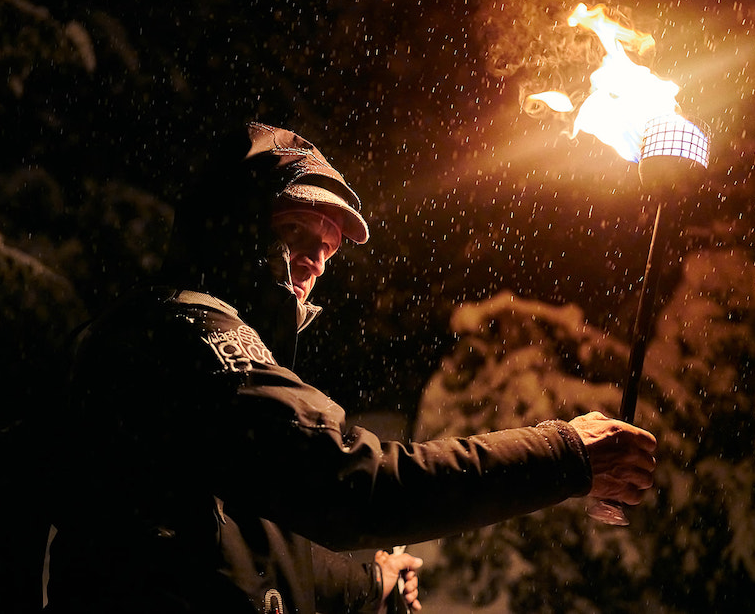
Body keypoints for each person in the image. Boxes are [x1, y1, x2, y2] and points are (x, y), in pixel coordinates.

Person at [45, 121, 657, 613]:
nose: (315, 256)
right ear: (231, 226)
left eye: (329, 243)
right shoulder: (183, 331)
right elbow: (352, 485)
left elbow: (268, 545)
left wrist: (374, 582)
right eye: (295, 226)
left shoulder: (220, 399)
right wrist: (567, 456)